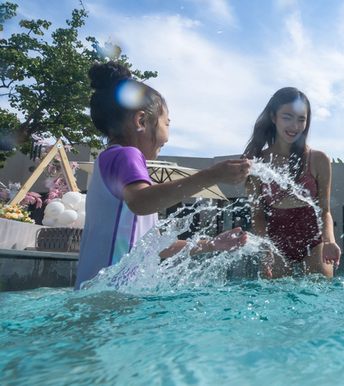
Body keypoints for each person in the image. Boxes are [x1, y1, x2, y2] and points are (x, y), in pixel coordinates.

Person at [75, 62, 251, 290]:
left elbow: (156, 246)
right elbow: (141, 202)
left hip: (104, 294)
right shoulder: (127, 155)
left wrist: (213, 244)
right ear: (142, 122)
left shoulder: (112, 161)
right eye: (167, 123)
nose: (168, 134)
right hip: (111, 297)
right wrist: (210, 175)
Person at [244, 87, 341, 278]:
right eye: (287, 117)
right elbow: (257, 215)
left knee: (320, 298)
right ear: (273, 117)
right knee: (275, 303)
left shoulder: (319, 159)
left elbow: (325, 210)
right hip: (276, 241)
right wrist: (266, 244)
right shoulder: (257, 162)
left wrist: (329, 240)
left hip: (313, 240)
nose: (295, 126)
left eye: (301, 119)